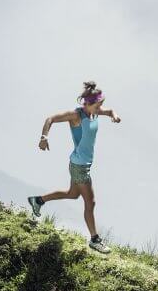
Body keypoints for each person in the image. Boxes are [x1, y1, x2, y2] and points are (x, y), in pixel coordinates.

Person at [28, 81, 121, 253]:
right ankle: (95, 239)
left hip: (81, 163)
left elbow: (109, 111)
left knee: (72, 194)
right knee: (90, 202)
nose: (101, 108)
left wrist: (114, 116)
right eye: (98, 105)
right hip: (79, 166)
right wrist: (43, 137)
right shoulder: (76, 115)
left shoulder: (95, 112)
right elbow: (50, 119)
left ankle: (38, 200)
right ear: (88, 104)